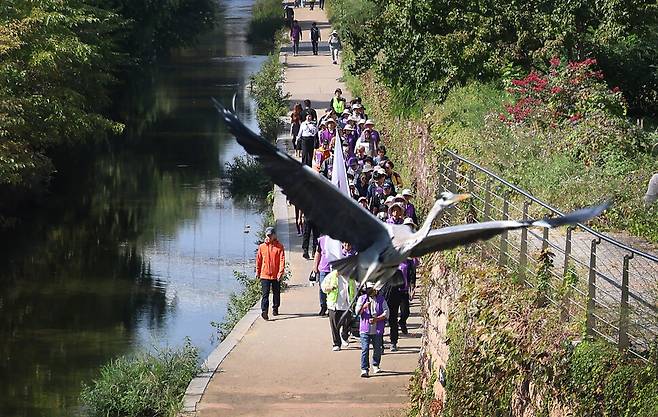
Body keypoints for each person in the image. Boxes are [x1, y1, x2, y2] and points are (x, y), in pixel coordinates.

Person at [321, 245, 357, 350]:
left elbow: (354, 289)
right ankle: (336, 343)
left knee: (347, 323)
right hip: (334, 305)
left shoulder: (350, 277)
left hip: (347, 305)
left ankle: (344, 335)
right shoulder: (331, 276)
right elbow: (323, 287)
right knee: (335, 325)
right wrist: (330, 287)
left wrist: (354, 300)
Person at [356, 283, 389, 377]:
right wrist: (363, 307)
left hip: (377, 329)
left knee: (377, 349)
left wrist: (377, 319)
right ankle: (364, 368)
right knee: (365, 348)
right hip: (365, 329)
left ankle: (376, 364)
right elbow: (357, 312)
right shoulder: (362, 299)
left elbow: (386, 313)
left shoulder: (381, 299)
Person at [256, 227, 285, 320]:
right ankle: (264, 311)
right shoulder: (262, 247)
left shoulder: (279, 247)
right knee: (265, 294)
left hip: (276, 275)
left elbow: (282, 260)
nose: (268, 237)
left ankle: (275, 307)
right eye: (267, 235)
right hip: (265, 274)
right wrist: (258, 271)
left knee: (276, 293)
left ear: (274, 235)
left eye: (270, 235)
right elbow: (259, 260)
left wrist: (280, 272)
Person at [312, 235, 332, 315]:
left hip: (333, 269)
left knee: (332, 289)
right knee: (322, 288)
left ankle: (330, 308)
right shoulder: (321, 239)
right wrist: (315, 265)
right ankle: (323, 306)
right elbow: (318, 252)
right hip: (323, 268)